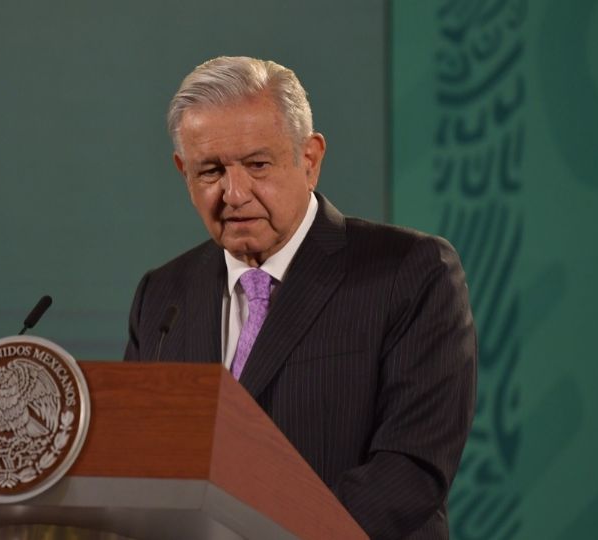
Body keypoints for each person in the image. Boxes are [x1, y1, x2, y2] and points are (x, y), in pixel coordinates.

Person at [124, 56, 476, 539]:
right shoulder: (163, 296)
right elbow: (136, 467)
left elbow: (410, 468)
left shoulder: (409, 272)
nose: (235, 193)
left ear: (309, 159)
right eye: (210, 171)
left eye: (257, 164)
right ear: (183, 171)